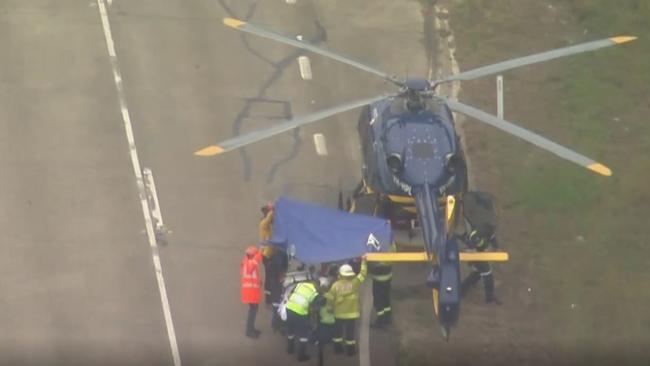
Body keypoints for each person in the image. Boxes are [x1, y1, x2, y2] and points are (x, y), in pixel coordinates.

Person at [460, 191, 500, 304]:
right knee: (487, 273)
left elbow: (491, 236)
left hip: (478, 252)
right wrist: (472, 253)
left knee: (478, 272)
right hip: (474, 253)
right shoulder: (477, 232)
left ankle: (462, 290)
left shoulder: (488, 226)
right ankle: (489, 298)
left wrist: (496, 246)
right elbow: (472, 243)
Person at [326, 256, 367, 356]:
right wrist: (364, 261)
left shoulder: (335, 285)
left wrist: (329, 310)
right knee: (350, 334)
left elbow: (330, 299)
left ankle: (338, 349)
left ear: (340, 274)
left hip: (338, 314)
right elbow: (363, 274)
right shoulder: (355, 283)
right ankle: (350, 351)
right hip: (351, 315)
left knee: (338, 333)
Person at [285, 278, 320, 362]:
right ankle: (301, 356)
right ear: (316, 285)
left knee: (290, 331)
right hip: (300, 313)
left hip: (289, 308)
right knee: (303, 335)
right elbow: (313, 308)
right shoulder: (314, 293)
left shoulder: (300, 284)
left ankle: (290, 349)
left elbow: (291, 294)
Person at [368, 242, 396, 328]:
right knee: (385, 298)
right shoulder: (391, 243)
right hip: (387, 275)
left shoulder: (378, 244)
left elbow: (374, 260)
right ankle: (387, 317)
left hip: (379, 277)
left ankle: (381, 320)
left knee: (378, 301)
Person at [241, 245, 263, 338]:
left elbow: (254, 275)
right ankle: (249, 332)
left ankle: (251, 329)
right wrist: (261, 250)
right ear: (251, 255)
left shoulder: (248, 262)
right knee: (252, 313)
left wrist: (259, 282)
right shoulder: (249, 263)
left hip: (251, 293)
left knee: (253, 312)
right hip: (251, 293)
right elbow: (256, 261)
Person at [313, 277, 335, 366]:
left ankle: (320, 361)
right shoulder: (333, 296)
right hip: (332, 320)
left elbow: (316, 309)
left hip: (323, 321)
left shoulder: (320, 298)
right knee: (329, 336)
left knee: (321, 344)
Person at [259, 203, 275, 305]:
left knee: (271, 275)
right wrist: (272, 210)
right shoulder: (264, 224)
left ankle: (270, 296)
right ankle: (268, 298)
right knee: (269, 277)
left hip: (268, 254)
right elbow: (269, 218)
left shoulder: (267, 226)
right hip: (266, 255)